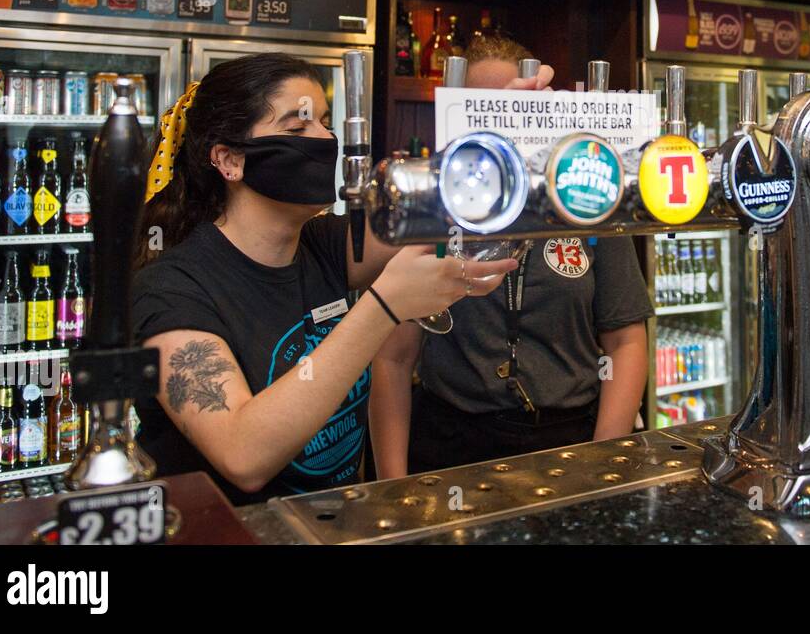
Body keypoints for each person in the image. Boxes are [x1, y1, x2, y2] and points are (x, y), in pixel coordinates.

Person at [130, 52, 524, 506]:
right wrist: (384, 308)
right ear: (229, 161)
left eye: (323, 121)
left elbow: (449, 205)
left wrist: (503, 130)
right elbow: (244, 456)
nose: (325, 139)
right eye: (297, 129)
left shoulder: (326, 243)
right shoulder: (170, 289)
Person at [369, 35, 654, 476]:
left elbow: (625, 340)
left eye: (514, 107)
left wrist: (603, 464)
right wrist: (391, 485)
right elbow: (393, 357)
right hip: (452, 442)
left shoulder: (583, 199)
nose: (502, 125)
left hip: (569, 440)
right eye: (486, 110)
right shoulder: (439, 204)